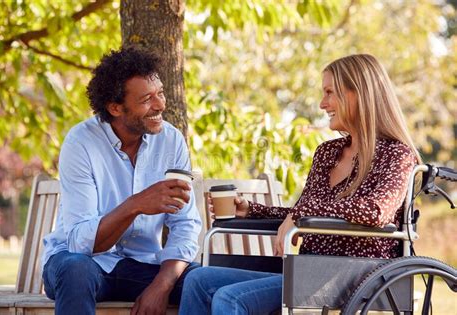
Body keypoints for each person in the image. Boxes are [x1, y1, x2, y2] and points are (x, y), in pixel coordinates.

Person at [178, 54, 421, 315]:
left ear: (357, 95)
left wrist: (302, 212)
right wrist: (254, 210)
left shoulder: (397, 155)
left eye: (330, 92)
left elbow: (376, 211)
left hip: (355, 277)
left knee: (230, 298)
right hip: (306, 272)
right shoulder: (328, 152)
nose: (322, 103)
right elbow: (305, 212)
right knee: (198, 280)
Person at [42, 47, 202, 315]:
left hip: (141, 267)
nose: (160, 104)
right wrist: (136, 204)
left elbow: (185, 223)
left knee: (201, 281)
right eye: (147, 99)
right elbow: (82, 244)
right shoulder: (81, 142)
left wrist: (161, 286)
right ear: (115, 107)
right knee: (76, 270)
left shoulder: (171, 141)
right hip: (79, 264)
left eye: (160, 93)